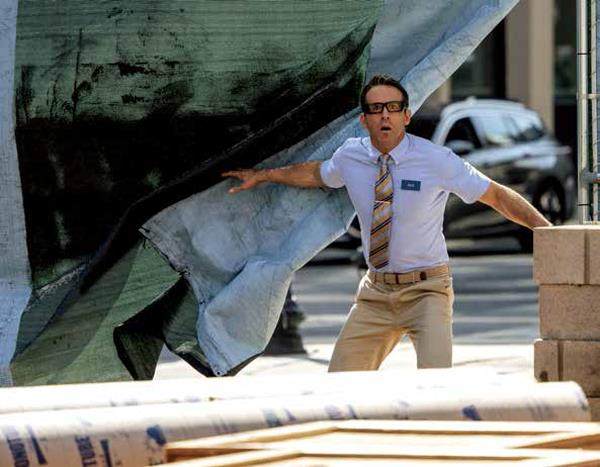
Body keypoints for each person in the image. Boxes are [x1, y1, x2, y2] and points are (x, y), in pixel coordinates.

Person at [222, 74, 551, 372]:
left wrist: (548, 233)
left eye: (393, 108)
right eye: (376, 109)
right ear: (364, 120)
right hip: (376, 293)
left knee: (436, 387)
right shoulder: (351, 156)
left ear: (406, 116)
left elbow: (496, 195)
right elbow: (315, 173)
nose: (384, 115)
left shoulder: (436, 160)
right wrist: (264, 175)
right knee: (340, 385)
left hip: (427, 291)